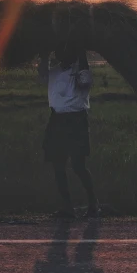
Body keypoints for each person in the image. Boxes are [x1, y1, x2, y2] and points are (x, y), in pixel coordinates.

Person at [38, 42, 99, 218]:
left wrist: (82, 55)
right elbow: (42, 75)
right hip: (56, 120)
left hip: (76, 120)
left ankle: (93, 204)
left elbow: (84, 81)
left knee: (79, 166)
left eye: (66, 52)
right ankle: (67, 207)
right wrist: (43, 56)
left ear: (74, 55)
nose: (61, 55)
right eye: (59, 52)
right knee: (58, 166)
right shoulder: (55, 71)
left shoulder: (80, 72)